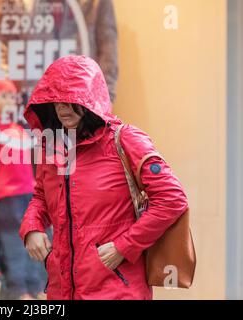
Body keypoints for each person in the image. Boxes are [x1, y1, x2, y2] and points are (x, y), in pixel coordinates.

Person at [19, 55, 188, 300]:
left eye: (70, 101)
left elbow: (172, 199)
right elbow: (41, 197)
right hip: (61, 289)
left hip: (116, 289)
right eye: (56, 101)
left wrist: (125, 245)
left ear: (89, 100)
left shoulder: (125, 140)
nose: (62, 109)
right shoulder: (53, 146)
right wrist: (32, 227)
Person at [0, 77, 45, 299]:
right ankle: (19, 289)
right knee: (13, 244)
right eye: (3, 96)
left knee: (37, 240)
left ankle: (37, 286)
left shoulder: (19, 130)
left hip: (30, 195)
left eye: (12, 96)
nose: (10, 101)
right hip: (7, 199)